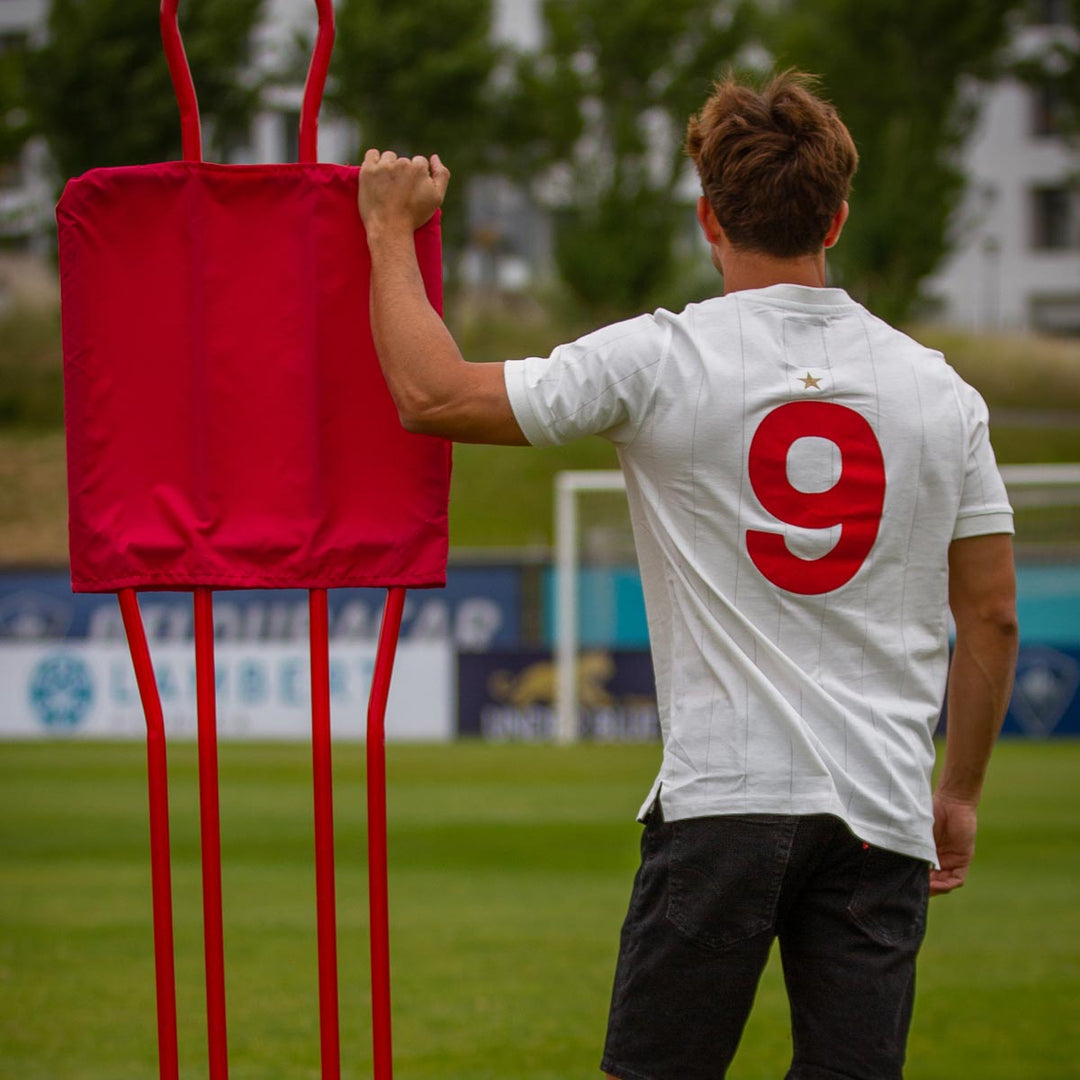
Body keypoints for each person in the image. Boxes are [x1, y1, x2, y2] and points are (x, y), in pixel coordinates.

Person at [356, 70, 1019, 1080]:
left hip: (727, 798)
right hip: (882, 809)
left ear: (708, 215)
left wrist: (388, 231)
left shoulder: (663, 358)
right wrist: (958, 792)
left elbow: (432, 393)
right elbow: (993, 617)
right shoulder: (941, 390)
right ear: (835, 218)